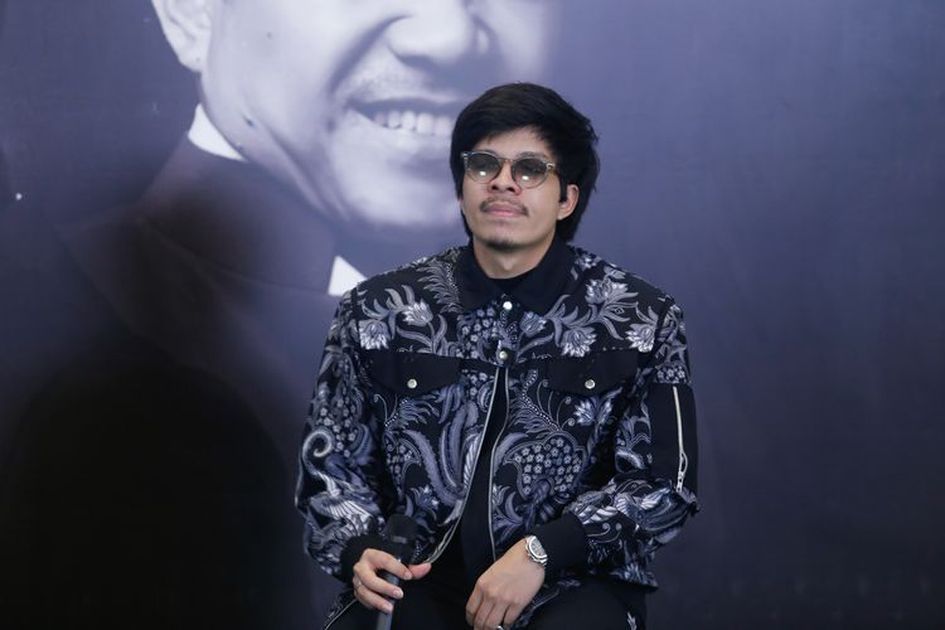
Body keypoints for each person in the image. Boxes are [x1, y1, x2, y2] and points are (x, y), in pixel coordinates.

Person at [297, 83, 699, 629]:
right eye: (484, 164)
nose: (503, 181)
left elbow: (664, 484)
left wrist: (544, 551)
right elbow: (329, 464)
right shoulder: (379, 309)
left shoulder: (640, 317)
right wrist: (357, 550)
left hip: (571, 580)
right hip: (417, 577)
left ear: (566, 199)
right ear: (462, 189)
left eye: (530, 169)